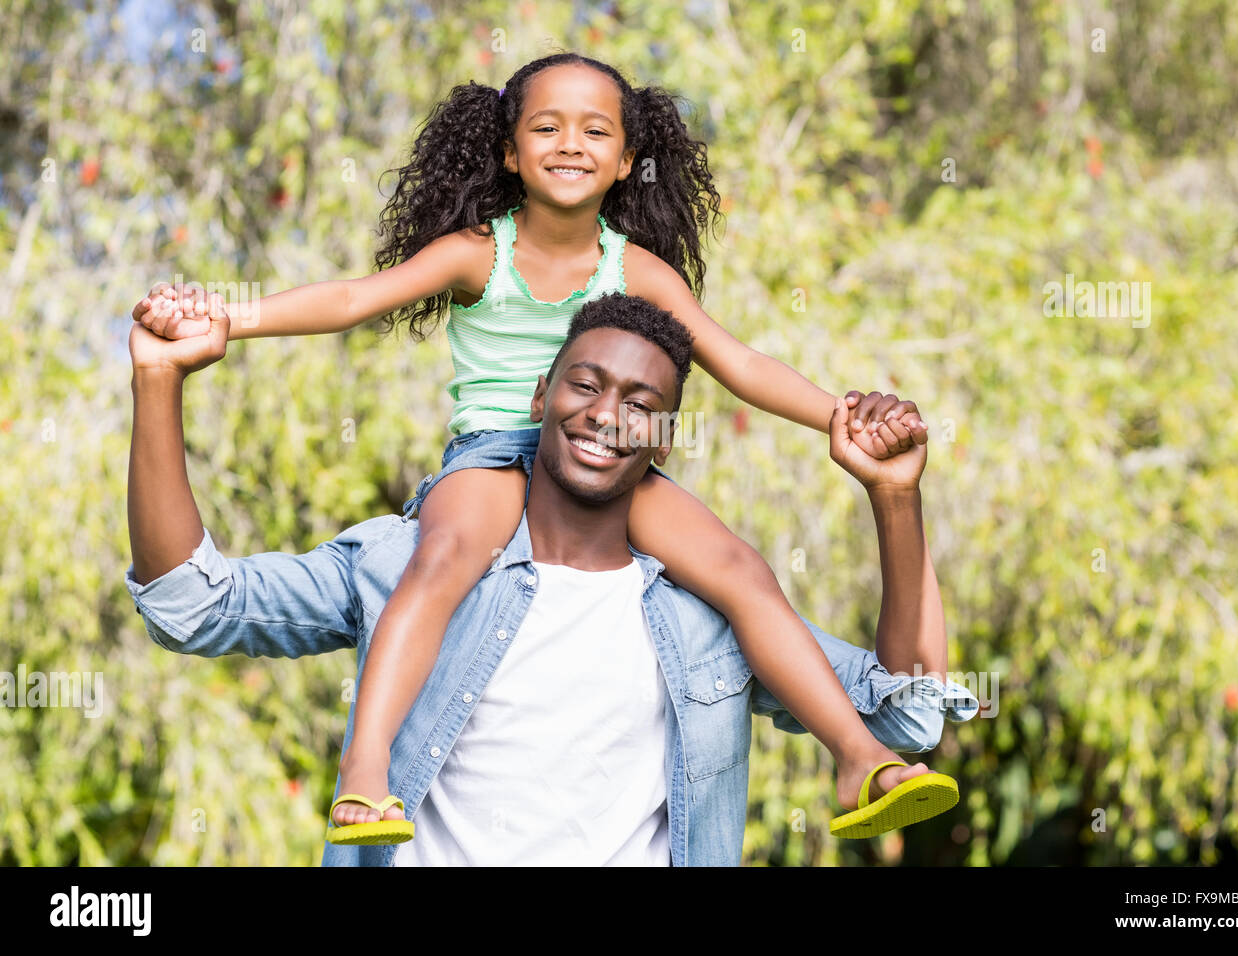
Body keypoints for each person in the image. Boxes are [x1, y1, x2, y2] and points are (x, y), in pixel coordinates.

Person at [132, 52, 940, 844]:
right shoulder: (478, 252)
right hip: (492, 452)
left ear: (627, 161)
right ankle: (367, 771)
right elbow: (351, 299)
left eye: (595, 130)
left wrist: (844, 415)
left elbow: (740, 363)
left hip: (617, 464)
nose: (569, 144)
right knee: (441, 558)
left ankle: (860, 758)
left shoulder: (639, 271)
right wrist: (228, 317)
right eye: (545, 127)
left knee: (740, 572)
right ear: (510, 153)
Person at [124, 290, 979, 866]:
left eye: (642, 403)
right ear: (541, 397)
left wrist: (894, 500)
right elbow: (194, 607)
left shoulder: (708, 618)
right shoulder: (406, 563)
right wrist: (159, 381)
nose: (608, 415)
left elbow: (906, 714)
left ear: (666, 439)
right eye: (587, 384)